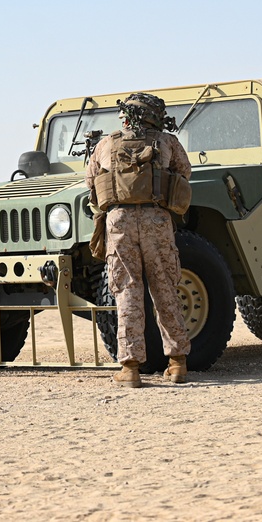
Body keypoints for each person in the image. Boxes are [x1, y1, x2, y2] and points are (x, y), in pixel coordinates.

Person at [84, 93, 192, 388]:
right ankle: (177, 363)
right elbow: (184, 173)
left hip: (119, 222)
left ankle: (130, 368)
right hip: (157, 220)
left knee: (127, 292)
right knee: (165, 288)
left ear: (127, 117)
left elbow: (90, 181)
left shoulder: (107, 143)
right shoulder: (167, 142)